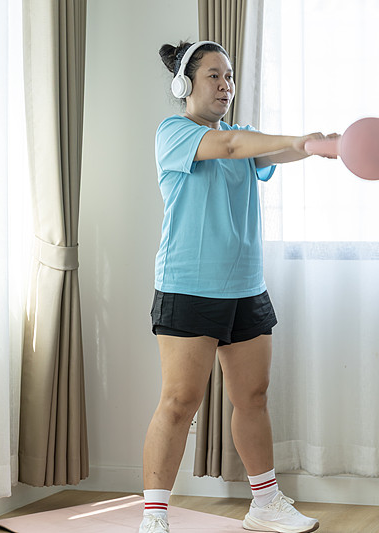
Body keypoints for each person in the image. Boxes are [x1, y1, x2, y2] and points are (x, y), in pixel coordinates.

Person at [140, 40, 333, 533]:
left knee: (254, 397)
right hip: (188, 286)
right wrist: (292, 139)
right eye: (213, 76)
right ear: (185, 85)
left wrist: (318, 145)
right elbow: (228, 148)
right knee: (180, 401)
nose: (225, 85)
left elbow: (272, 150)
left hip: (246, 288)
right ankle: (155, 515)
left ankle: (265, 504)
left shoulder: (244, 136)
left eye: (229, 77)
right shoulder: (174, 132)